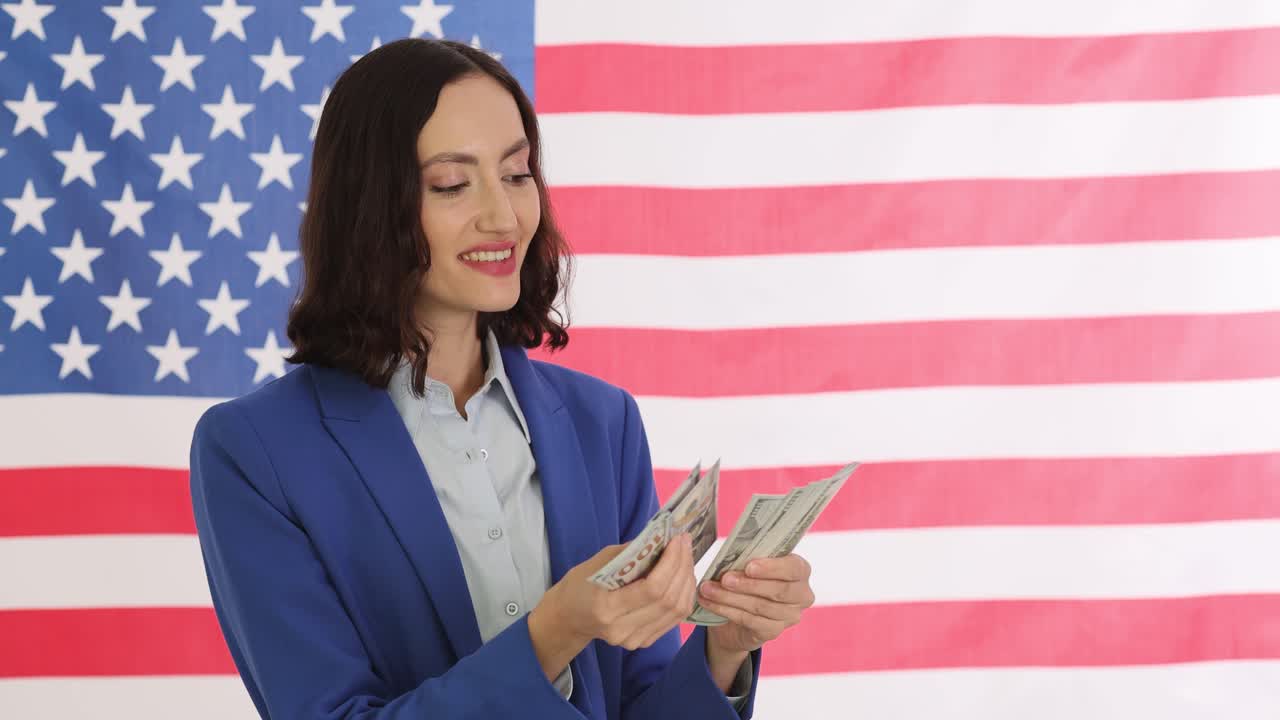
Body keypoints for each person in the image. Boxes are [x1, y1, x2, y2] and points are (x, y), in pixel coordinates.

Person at [188, 38, 817, 720]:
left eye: (517, 174)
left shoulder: (601, 422)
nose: (504, 216)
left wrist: (724, 649)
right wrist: (556, 631)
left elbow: (639, 701)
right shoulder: (254, 450)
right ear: (370, 205)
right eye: (453, 184)